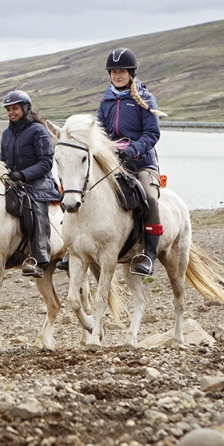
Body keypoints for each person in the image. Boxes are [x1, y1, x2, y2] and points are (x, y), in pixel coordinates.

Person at [98, 48, 167, 276]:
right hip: (115, 163)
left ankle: (149, 254)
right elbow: (99, 132)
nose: (117, 76)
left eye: (122, 72)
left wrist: (134, 150)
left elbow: (152, 133)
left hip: (141, 162)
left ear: (131, 73)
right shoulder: (106, 101)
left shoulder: (145, 99)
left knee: (149, 197)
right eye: (114, 72)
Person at [0, 90, 61, 278]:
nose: (11, 112)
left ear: (26, 108)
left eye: (15, 108)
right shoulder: (6, 134)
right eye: (9, 109)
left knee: (34, 206)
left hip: (39, 182)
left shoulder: (38, 131)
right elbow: (3, 159)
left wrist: (23, 175)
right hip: (15, 180)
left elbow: (45, 163)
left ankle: (40, 255)